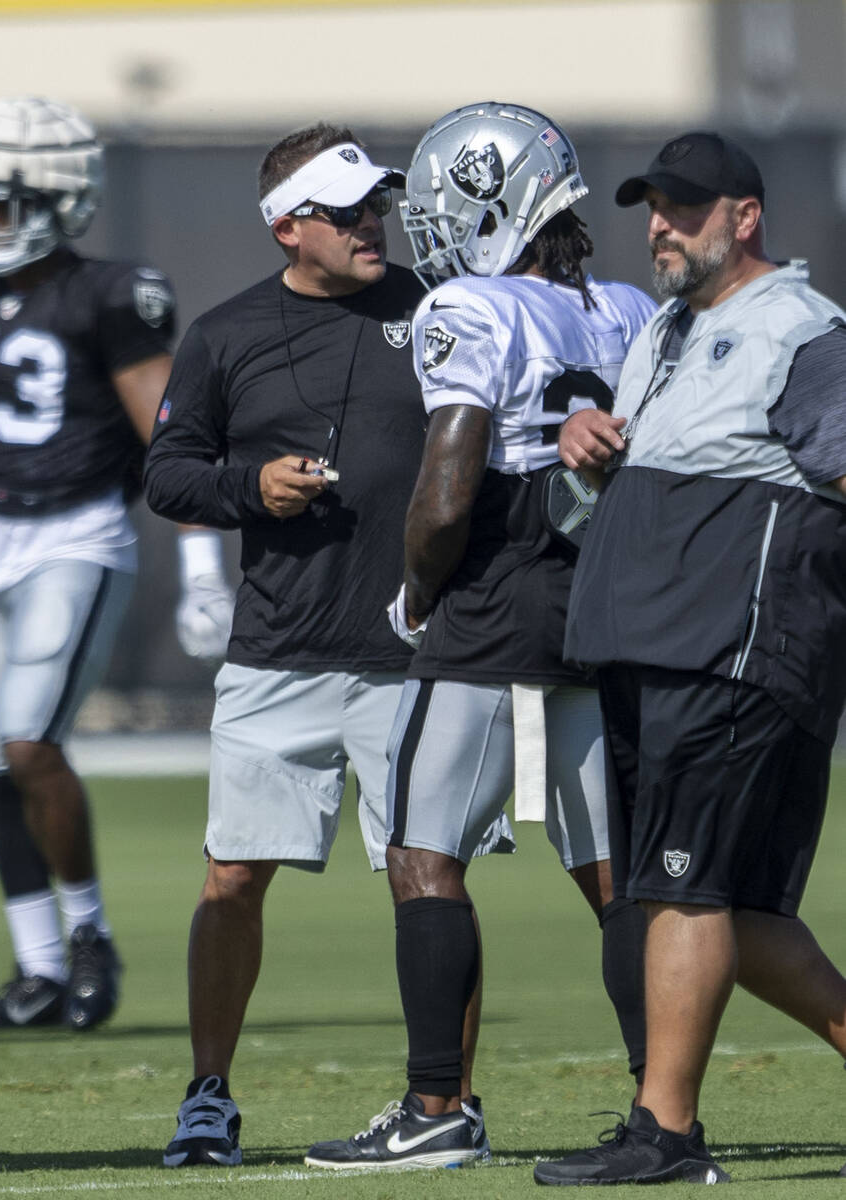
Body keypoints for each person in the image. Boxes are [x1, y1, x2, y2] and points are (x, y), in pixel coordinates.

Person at [145, 121, 509, 1169]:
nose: (372, 225)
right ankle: (208, 1095)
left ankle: (447, 1102)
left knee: (431, 878)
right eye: (346, 212)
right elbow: (168, 470)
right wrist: (245, 489)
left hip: (419, 659)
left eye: (376, 207)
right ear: (285, 227)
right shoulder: (223, 334)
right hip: (277, 654)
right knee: (230, 880)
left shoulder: (439, 311)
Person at [305, 101, 656, 1172]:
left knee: (420, 854)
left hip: (497, 593)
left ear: (487, 201)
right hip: (602, 598)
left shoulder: (470, 305)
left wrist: (419, 590)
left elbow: (448, 485)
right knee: (613, 876)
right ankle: (664, 1108)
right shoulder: (630, 307)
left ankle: (435, 1107)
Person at [534, 131, 846, 1186]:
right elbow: (626, 483)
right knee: (735, 907)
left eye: (683, 207)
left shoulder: (799, 329)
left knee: (682, 892)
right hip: (649, 649)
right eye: (650, 207)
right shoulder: (660, 331)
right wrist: (584, 439)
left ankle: (664, 1134)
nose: (659, 225)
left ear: (743, 217)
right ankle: (661, 1127)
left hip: (731, 651)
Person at [0, 95, 233, 1033]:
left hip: (74, 537)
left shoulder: (113, 292)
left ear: (54, 198)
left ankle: (86, 939)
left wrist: (203, 573)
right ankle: (34, 970)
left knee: (30, 743)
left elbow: (170, 438)